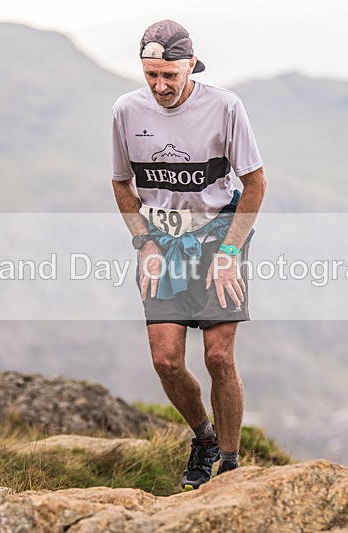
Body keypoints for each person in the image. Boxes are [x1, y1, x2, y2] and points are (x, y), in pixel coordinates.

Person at [111, 19, 266, 491]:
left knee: (219, 357)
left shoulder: (225, 106)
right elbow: (122, 185)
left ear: (189, 67)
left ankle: (231, 465)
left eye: (170, 76)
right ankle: (203, 438)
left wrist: (230, 250)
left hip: (221, 232)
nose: (160, 86)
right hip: (163, 237)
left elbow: (255, 182)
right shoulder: (125, 111)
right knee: (166, 361)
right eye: (150, 74)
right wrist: (145, 243)